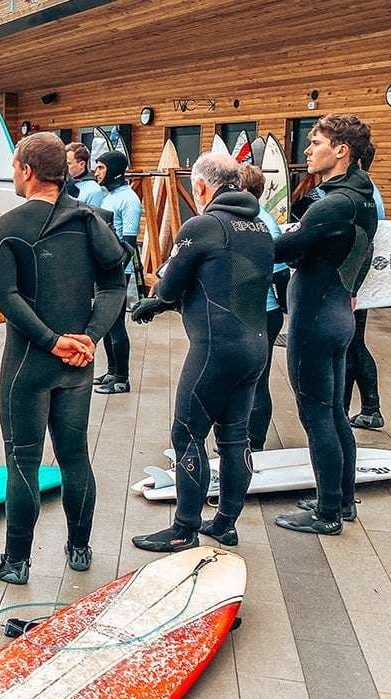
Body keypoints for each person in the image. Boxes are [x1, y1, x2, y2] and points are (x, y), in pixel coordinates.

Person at [0, 132, 127, 584]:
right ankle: (79, 549)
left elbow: (5, 294)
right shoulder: (90, 220)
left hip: (29, 365)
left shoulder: (10, 224)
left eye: (15, 167)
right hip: (79, 363)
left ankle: (16, 562)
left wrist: (51, 340)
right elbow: (116, 285)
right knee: (75, 457)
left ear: (26, 170)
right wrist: (89, 337)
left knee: (23, 460)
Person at [129, 154, 274, 552]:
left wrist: (155, 303)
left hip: (216, 350)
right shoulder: (259, 226)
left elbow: (171, 284)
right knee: (235, 437)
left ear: (201, 187)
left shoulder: (203, 225)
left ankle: (183, 530)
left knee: (187, 433)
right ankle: (225, 523)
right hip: (254, 347)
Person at [274, 114, 378, 535]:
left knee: (316, 414)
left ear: (341, 150)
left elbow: (283, 248)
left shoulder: (335, 203)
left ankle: (327, 514)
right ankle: (340, 498)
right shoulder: (362, 197)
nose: (307, 149)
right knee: (333, 411)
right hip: (337, 312)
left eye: (315, 142)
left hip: (316, 318)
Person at [240, 164, 293, 452]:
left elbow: (281, 273)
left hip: (262, 314)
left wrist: (285, 311)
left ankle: (255, 443)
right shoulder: (245, 219)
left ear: (245, 190)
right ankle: (241, 437)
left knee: (257, 380)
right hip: (246, 314)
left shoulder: (263, 223)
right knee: (242, 378)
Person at [91, 150, 142, 395]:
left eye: (100, 167)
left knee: (117, 325)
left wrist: (114, 270)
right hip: (105, 270)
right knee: (108, 325)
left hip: (119, 271)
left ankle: (122, 378)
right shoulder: (108, 196)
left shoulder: (129, 199)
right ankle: (111, 371)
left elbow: (129, 244)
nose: (96, 172)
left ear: (114, 170)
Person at [345, 144, 388, 430]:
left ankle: (358, 409)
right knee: (354, 343)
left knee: (351, 344)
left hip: (355, 282)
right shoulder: (371, 191)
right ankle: (369, 408)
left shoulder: (362, 196)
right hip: (361, 280)